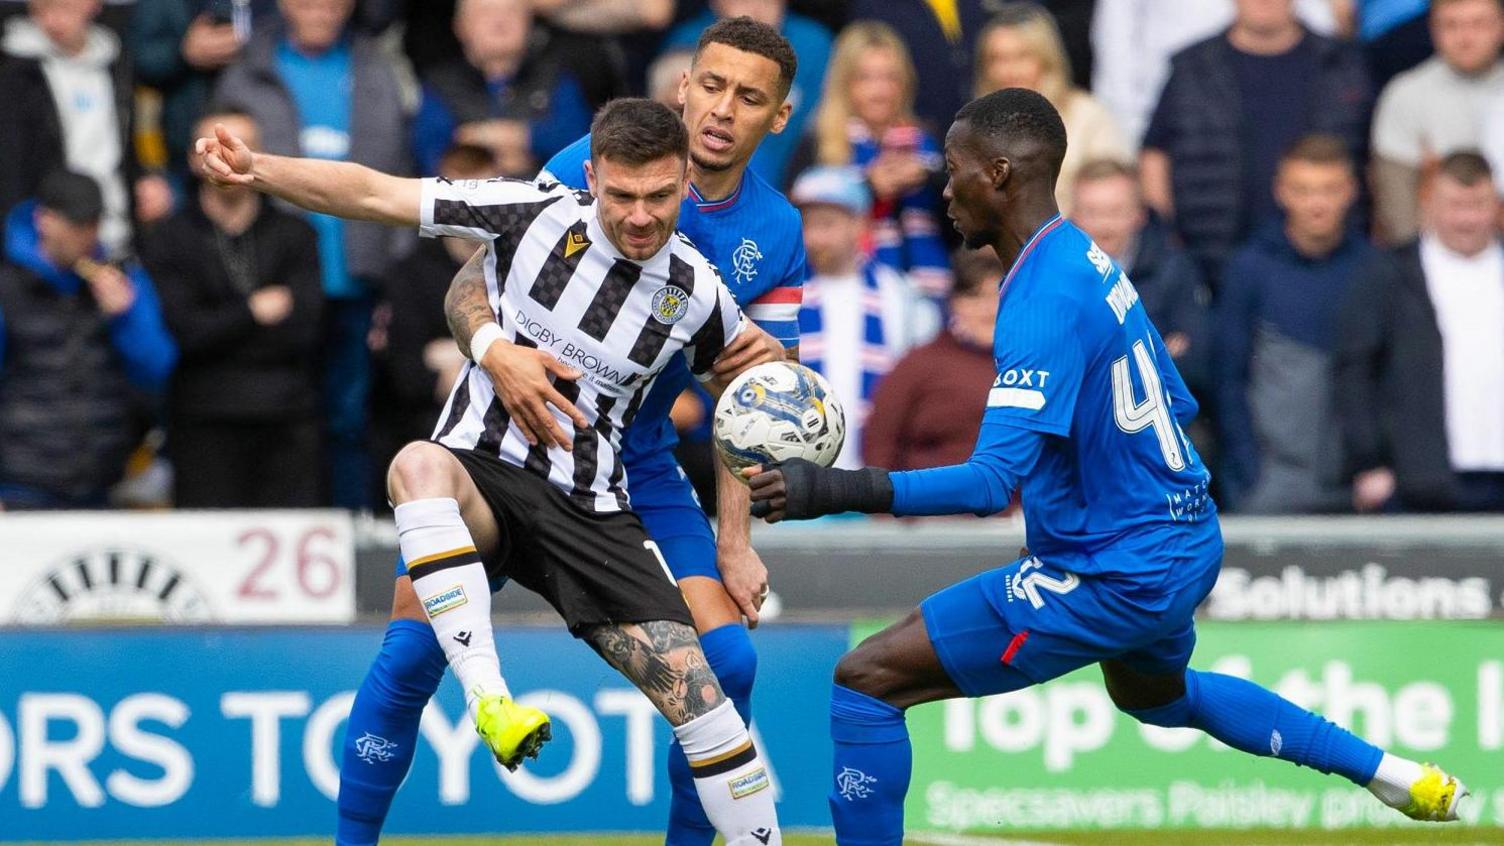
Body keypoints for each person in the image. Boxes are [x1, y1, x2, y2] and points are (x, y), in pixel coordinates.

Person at [742, 88, 1468, 844]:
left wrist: (829, 488)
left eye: (953, 171)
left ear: (998, 175)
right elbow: (1174, 404)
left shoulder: (1040, 301)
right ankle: (1387, 771)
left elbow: (991, 483)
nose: (943, 187)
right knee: (1159, 698)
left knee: (866, 682)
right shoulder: (1084, 256)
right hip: (1182, 540)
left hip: (1113, 570)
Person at [195, 97, 784, 846]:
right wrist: (261, 170)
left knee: (708, 709)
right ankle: (490, 699)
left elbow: (750, 383)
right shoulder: (532, 210)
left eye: (660, 197)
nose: (640, 216)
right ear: (593, 177)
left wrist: (780, 394)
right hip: (482, 476)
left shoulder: (697, 292)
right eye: (623, 195)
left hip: (590, 509)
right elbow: (375, 192)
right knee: (416, 465)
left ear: (682, 183)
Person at [336, 17, 807, 846]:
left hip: (643, 468)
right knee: (413, 651)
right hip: (518, 436)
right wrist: (498, 354)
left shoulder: (778, 235)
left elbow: (752, 405)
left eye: (749, 96)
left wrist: (734, 539)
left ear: (779, 116)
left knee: (727, 667)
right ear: (682, 85)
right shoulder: (582, 167)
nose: (723, 108)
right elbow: (465, 292)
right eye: (712, 84)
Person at [215, 0, 413, 508]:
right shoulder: (248, 70)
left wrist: (396, 268)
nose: (321, 10)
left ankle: (348, 531)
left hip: (358, 269)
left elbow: (403, 168)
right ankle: (288, 528)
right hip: (271, 275)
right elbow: (222, 168)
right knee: (281, 414)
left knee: (350, 415)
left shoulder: (377, 69)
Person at [144, 107, 324, 508]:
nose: (226, 159)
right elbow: (185, 333)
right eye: (213, 148)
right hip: (203, 418)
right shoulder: (169, 238)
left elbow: (306, 329)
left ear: (259, 158)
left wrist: (221, 326)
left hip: (286, 416)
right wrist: (252, 313)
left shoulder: (296, 234)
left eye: (240, 147)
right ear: (193, 159)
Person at [1140, 0, 1371, 281]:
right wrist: (1167, 235)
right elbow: (1155, 154)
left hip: (1332, 265)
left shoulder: (1341, 63)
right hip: (1211, 263)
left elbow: (1373, 154)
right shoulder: (1193, 67)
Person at [1215, 135, 1377, 513]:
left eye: (1329, 190)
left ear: (1351, 192)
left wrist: (1374, 464)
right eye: (1302, 190)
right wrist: (1248, 471)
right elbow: (1228, 378)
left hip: (1358, 486)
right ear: (1281, 192)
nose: (1316, 203)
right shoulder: (1250, 268)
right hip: (1269, 484)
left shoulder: (1375, 270)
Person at [1336, 150, 1504, 512]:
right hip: (1419, 480)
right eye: (1455, 205)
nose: (1467, 218)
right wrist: (1368, 461)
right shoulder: (1389, 274)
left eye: (1478, 204)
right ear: (1427, 203)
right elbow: (1355, 371)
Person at [0, 170, 177, 509]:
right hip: (20, 485)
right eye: (78, 224)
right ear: (45, 221)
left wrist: (126, 317)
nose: (88, 235)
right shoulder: (8, 286)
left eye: (94, 223)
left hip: (101, 482)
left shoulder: (122, 278)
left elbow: (157, 369)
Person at [368, 144, 492, 502]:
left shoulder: (519, 267)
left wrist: (454, 355)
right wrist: (483, 360)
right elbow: (404, 374)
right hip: (423, 432)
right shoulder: (407, 273)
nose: (478, 209)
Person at [0, 0, 174, 256]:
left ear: (93, 5)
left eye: (64, 8)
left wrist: (146, 179)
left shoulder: (116, 60)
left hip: (117, 229)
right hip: (49, 240)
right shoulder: (15, 71)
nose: (53, 21)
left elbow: (126, 141)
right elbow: (13, 166)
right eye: (41, 11)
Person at [792, 21, 951, 300]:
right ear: (844, 83)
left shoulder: (925, 141)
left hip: (930, 293)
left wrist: (929, 178)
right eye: (866, 78)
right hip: (848, 293)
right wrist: (868, 187)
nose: (880, 91)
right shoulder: (821, 141)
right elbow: (796, 218)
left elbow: (959, 228)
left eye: (890, 78)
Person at [794, 165, 932, 469]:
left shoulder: (900, 294)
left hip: (878, 476)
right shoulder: (786, 293)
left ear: (859, 225)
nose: (814, 237)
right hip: (801, 478)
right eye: (807, 225)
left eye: (827, 224)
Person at [1090, 0, 1343, 151]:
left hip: (1280, 78)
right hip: (1170, 107)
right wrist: (1129, 132)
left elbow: (1317, 18)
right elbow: (1116, 41)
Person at [974, 3, 1130, 213]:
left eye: (1022, 57)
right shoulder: (973, 129)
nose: (1008, 71)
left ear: (1046, 60)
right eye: (998, 59)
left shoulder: (1087, 116)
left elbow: (1114, 198)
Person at [1370, 0, 1504, 244]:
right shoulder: (1405, 94)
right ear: (1433, 29)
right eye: (1451, 25)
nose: (1466, 37)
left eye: (1479, 24)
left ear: (1501, 26)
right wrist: (1422, 267)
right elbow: (1398, 204)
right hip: (1432, 258)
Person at [659, 0, 832, 187]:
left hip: (792, 179)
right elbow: (663, 107)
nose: (723, 109)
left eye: (749, 98)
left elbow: (828, 118)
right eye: (711, 88)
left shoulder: (814, 42)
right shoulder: (687, 37)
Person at [411, 0, 593, 177]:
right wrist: (517, 157)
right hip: (464, 204)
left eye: (512, 11)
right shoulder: (440, 84)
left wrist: (519, 136)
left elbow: (578, 147)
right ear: (460, 25)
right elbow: (431, 158)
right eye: (486, 11)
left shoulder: (557, 76)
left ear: (529, 22)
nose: (500, 20)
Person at [862, 247, 1002, 473]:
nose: (989, 309)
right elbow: (879, 445)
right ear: (954, 302)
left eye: (998, 295)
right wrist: (883, 505)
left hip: (1018, 506)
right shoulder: (918, 365)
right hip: (933, 504)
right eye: (975, 296)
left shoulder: (1036, 367)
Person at [1070, 158, 1207, 386]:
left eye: (1115, 212)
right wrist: (1156, 355)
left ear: (1140, 214)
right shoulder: (1050, 274)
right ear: (1072, 217)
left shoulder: (1173, 268)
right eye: (1092, 212)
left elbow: (1197, 358)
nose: (1104, 225)